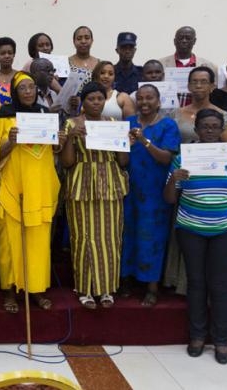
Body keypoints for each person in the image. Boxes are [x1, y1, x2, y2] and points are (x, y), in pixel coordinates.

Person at [163, 109, 227, 365]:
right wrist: (173, 180)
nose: (210, 131)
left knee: (221, 284)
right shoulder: (183, 158)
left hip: (226, 229)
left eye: (215, 126)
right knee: (196, 282)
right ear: (197, 130)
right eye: (205, 126)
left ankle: (222, 340)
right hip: (191, 229)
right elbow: (169, 199)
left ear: (222, 130)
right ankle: (197, 336)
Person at [0, 72, 63, 313]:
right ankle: (9, 291)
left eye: (31, 87)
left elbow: (54, 150)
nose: (28, 91)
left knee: (38, 242)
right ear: (15, 92)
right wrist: (10, 142)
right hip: (13, 187)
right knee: (10, 243)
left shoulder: (45, 114)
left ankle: (36, 290)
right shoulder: (4, 115)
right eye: (23, 88)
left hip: (39, 187)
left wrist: (60, 140)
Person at [163, 67, 227, 295]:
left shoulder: (222, 115)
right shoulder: (176, 114)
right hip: (183, 179)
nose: (199, 86)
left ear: (213, 85)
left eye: (204, 81)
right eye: (194, 81)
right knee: (185, 232)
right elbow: (171, 146)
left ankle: (212, 286)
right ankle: (182, 282)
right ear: (188, 85)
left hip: (212, 184)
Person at [61, 82, 128, 309]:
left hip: (110, 183)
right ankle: (85, 288)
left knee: (110, 236)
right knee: (83, 236)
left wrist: (123, 142)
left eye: (100, 99)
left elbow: (123, 162)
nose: (96, 103)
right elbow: (67, 163)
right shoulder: (72, 123)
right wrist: (70, 137)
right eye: (91, 99)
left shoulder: (114, 124)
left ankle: (107, 288)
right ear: (83, 101)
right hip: (81, 183)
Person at [121, 84, 180, 306]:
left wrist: (144, 141)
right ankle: (126, 279)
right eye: (141, 98)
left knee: (152, 237)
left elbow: (166, 158)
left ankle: (152, 286)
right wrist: (126, 144)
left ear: (158, 101)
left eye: (149, 98)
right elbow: (122, 159)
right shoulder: (128, 123)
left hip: (155, 192)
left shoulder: (168, 125)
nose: (144, 102)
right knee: (128, 234)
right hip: (130, 189)